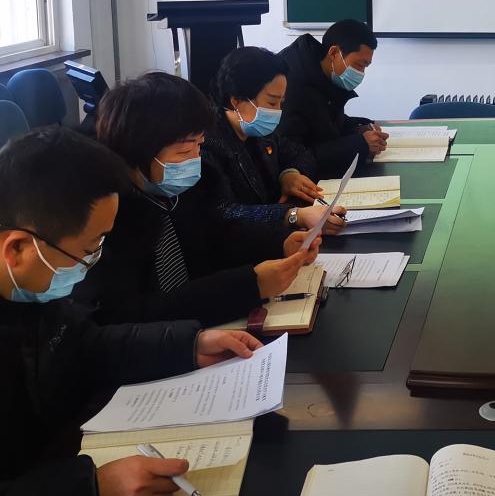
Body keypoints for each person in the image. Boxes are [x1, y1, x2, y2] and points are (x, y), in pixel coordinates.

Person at [0, 126, 264, 496]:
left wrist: (186, 345)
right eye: (89, 248)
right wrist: (87, 495)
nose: (93, 262)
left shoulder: (23, 277)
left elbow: (81, 346)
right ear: (17, 249)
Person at [77, 72, 320, 327]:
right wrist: (250, 285)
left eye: (199, 146)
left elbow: (218, 237)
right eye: (184, 150)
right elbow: (135, 316)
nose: (196, 159)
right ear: (139, 150)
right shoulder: (105, 220)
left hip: (205, 326)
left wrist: (279, 244)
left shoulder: (176, 190)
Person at [203, 46, 344, 236]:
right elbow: (225, 213)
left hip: (275, 237)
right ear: (236, 100)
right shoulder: (207, 143)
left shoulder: (260, 132)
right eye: (271, 102)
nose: (278, 111)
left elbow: (300, 153)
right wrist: (292, 216)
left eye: (281, 102)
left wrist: (289, 174)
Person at [279, 19, 387, 177]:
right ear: (334, 53)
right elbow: (294, 156)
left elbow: (326, 125)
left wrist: (358, 127)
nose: (361, 73)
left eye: (365, 67)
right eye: (359, 64)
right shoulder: (291, 87)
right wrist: (360, 144)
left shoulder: (325, 74)